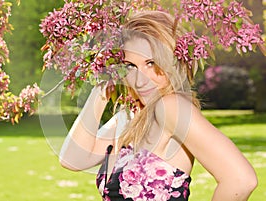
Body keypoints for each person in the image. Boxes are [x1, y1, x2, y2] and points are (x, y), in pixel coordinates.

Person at [59, 11, 257, 201]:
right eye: (130, 66)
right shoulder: (131, 115)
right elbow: (72, 159)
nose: (140, 80)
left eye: (151, 63)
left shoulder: (170, 107)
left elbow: (241, 180)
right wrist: (101, 87)